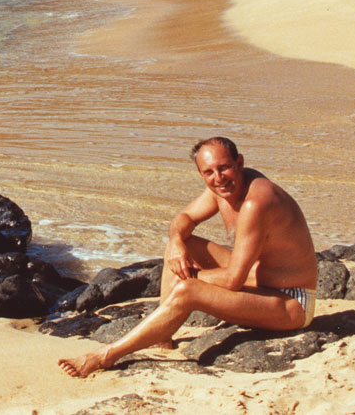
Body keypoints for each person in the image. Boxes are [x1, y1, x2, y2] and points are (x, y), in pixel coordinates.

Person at [58, 136, 318, 377]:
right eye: (209, 172)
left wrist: (189, 279)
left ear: (239, 163)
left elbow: (233, 282)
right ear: (201, 173)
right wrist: (176, 241)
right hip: (258, 280)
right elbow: (184, 218)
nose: (218, 178)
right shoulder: (221, 189)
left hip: (291, 302)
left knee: (187, 290)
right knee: (183, 245)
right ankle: (162, 336)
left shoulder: (256, 201)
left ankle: (106, 355)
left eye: (224, 168)